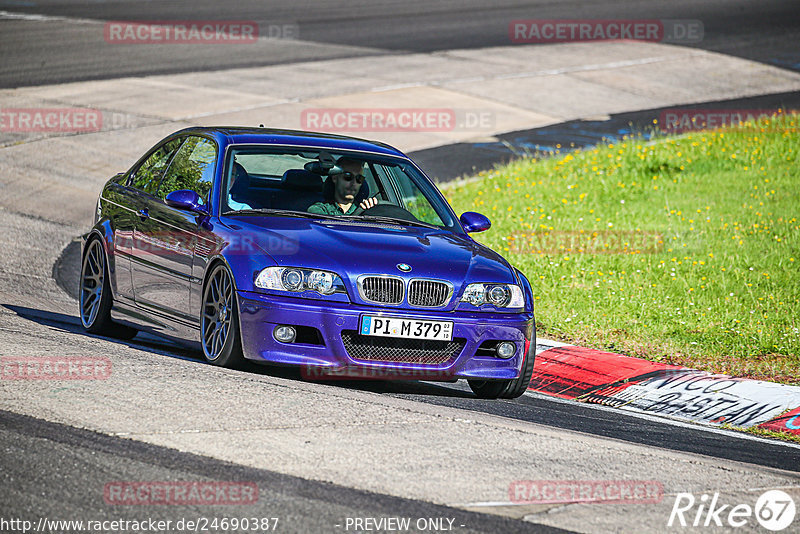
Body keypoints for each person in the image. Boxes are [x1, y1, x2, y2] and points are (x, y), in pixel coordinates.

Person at [307, 157, 378, 215]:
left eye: (359, 179)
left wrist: (373, 211)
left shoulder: (367, 210)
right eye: (348, 176)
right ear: (335, 177)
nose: (353, 183)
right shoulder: (320, 210)